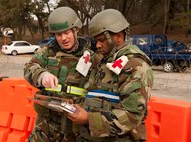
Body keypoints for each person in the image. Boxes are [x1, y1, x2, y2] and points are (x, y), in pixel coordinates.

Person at [67, 9, 154, 141]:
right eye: (96, 40)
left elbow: (132, 116)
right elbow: (96, 96)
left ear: (118, 36)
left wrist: (88, 119)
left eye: (102, 40)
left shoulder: (136, 67)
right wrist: (75, 104)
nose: (97, 45)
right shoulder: (101, 61)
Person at [24, 7, 93, 142]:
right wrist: (42, 75)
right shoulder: (47, 51)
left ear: (76, 30)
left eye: (67, 33)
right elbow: (29, 67)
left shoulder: (91, 54)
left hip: (76, 125)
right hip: (47, 123)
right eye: (58, 34)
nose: (63, 38)